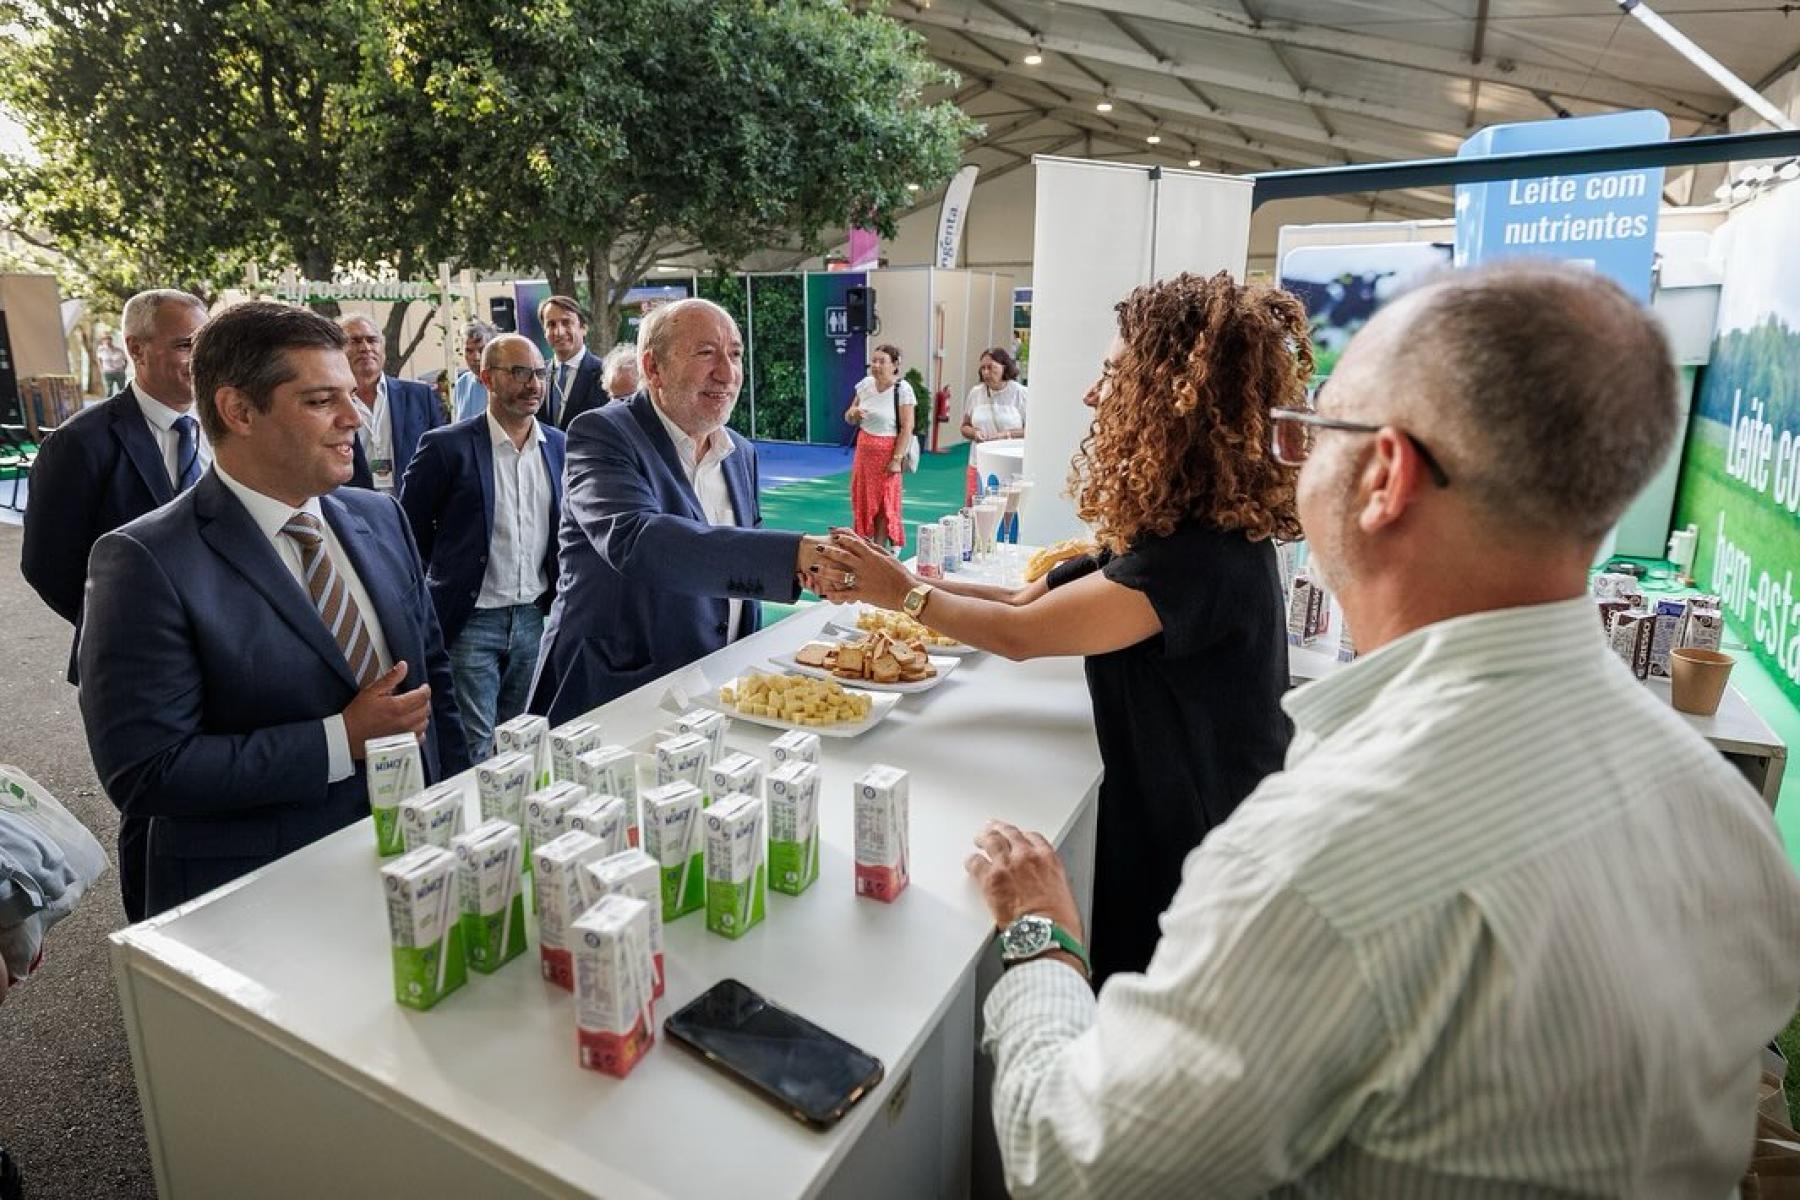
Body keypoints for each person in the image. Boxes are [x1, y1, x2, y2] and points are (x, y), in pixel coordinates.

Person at [963, 262, 1800, 1195]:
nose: (1288, 453)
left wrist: (1040, 936)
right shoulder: (1729, 819)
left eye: (1313, 426)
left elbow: (1069, 1164)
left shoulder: (1321, 862)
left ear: (1386, 476)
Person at [821, 272, 1299, 980]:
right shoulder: (1176, 529)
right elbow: (1020, 603)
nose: (1091, 395)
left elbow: (1021, 638)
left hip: (1201, 849)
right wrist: (897, 581)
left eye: (1112, 375)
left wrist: (901, 594)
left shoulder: (1197, 560)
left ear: (1173, 399)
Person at [78, 301, 468, 918]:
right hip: (259, 899)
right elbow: (147, 770)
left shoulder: (380, 516)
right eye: (320, 400)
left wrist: (455, 804)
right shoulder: (144, 560)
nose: (354, 417)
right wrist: (340, 740)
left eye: (350, 395)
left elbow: (431, 679)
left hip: (414, 858)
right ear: (238, 410)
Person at [528, 298, 835, 722]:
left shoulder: (739, 452)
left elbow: (733, 561)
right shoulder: (601, 433)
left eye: (734, 354)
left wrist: (806, 571)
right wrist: (793, 555)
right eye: (706, 353)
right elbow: (639, 541)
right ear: (653, 368)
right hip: (616, 695)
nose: (727, 373)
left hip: (714, 695)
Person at [20, 288, 208, 918]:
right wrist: (122, 631)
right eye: (185, 344)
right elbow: (46, 563)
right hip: (131, 664)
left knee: (213, 791)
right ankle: (151, 936)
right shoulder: (82, 442)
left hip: (223, 651)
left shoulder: (223, 425)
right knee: (150, 805)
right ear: (136, 348)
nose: (199, 357)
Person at [400, 334, 565, 759]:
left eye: (540, 373)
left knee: (523, 741)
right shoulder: (446, 446)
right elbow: (408, 532)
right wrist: (436, 586)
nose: (534, 384)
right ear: (487, 378)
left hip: (533, 619)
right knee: (475, 747)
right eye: (520, 372)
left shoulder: (559, 447)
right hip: (471, 621)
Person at [338, 313, 447, 493]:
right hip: (355, 505)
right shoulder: (331, 404)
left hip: (411, 504)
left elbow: (442, 456)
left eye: (372, 340)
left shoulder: (419, 396)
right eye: (355, 341)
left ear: (382, 348)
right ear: (338, 350)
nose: (365, 347)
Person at [844, 343, 915, 549]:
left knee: (884, 504)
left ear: (895, 365)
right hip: (864, 453)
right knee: (863, 499)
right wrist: (853, 414)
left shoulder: (903, 389)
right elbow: (849, 416)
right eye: (873, 361)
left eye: (881, 361)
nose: (876, 365)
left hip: (888, 454)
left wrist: (896, 459)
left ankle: (880, 548)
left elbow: (907, 427)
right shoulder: (865, 385)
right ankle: (865, 545)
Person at [961, 345, 1028, 502]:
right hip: (977, 462)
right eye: (983, 368)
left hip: (1010, 464)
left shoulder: (1020, 393)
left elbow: (1032, 430)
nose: (986, 372)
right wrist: (975, 433)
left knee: (1007, 507)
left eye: (991, 367)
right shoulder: (976, 393)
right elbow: (964, 426)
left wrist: (1006, 435)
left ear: (1004, 367)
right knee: (975, 505)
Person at [540, 294, 601, 429]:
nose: (559, 332)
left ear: (583, 328)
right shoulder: (538, 374)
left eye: (566, 322)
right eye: (551, 324)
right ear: (544, 332)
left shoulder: (604, 374)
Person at [452, 321, 495, 421]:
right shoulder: (462, 384)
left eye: (482, 350)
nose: (476, 357)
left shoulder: (504, 382)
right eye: (469, 351)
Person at [95, 330, 129, 395]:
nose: (107, 341)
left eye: (109, 339)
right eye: (105, 339)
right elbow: (99, 360)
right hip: (108, 372)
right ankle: (109, 401)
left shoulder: (119, 350)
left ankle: (122, 401)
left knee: (122, 391)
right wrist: (102, 369)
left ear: (111, 340)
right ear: (103, 341)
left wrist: (123, 369)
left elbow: (125, 360)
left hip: (119, 372)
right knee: (108, 390)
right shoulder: (101, 350)